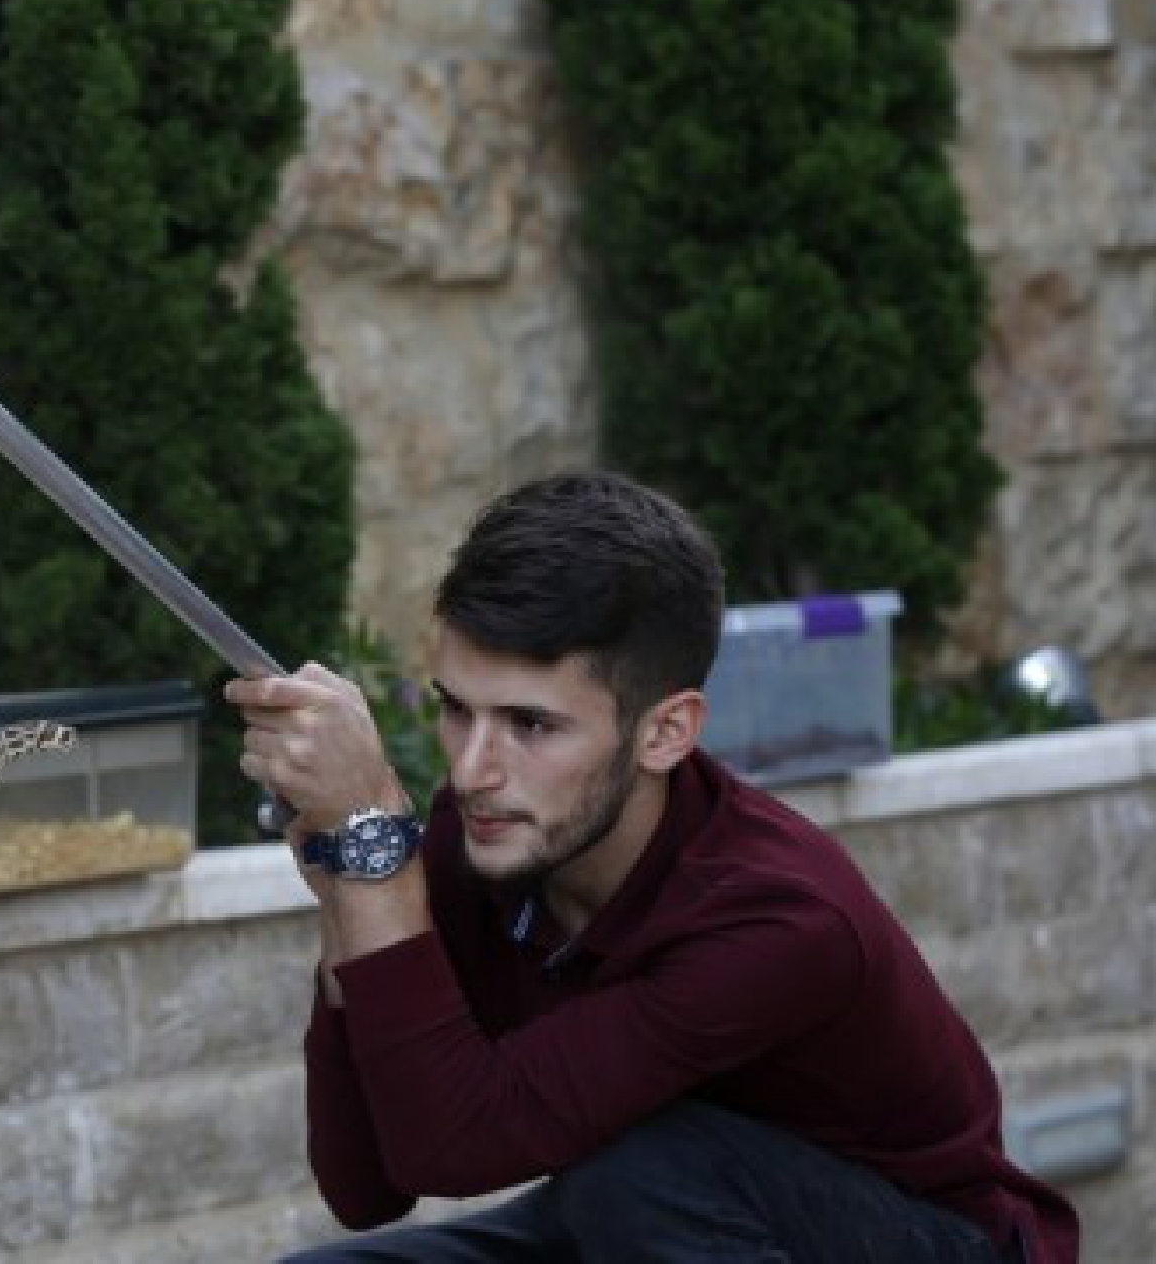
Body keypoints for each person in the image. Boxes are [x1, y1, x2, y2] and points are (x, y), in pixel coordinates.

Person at [225, 470, 1079, 1264]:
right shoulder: (493, 833)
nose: (473, 769)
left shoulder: (776, 922)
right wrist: (352, 884)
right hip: (652, 1226)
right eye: (456, 710)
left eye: (531, 724)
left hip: (922, 1239)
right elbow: (368, 1185)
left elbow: (462, 1144)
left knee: (639, 1173)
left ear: (666, 732)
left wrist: (380, 854)